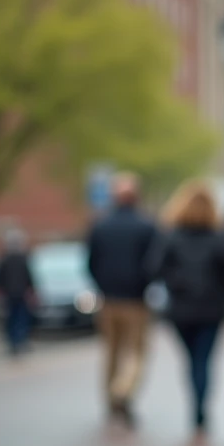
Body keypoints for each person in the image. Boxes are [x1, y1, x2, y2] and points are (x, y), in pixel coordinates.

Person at [145, 181, 224, 432]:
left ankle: (195, 406)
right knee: (203, 359)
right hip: (212, 309)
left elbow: (153, 268)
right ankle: (200, 407)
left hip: (181, 310)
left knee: (191, 359)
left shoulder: (171, 236)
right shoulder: (219, 237)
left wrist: (176, 282)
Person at [87, 172, 158, 428]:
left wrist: (103, 286)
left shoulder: (100, 225)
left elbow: (91, 263)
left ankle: (110, 399)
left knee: (111, 352)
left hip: (108, 299)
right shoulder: (147, 226)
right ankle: (122, 392)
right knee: (137, 352)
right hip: (136, 300)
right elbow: (154, 263)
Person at [0, 228, 35, 355]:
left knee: (12, 318)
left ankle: (14, 341)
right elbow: (29, 277)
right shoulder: (22, 259)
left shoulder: (5, 259)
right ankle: (19, 340)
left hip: (10, 294)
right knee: (19, 317)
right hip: (19, 293)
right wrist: (31, 289)